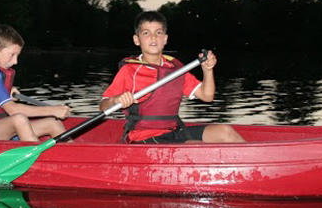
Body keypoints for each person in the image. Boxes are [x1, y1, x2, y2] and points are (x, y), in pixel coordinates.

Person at [99, 11, 245, 144]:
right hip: (143, 138)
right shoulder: (130, 70)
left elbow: (207, 96)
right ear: (137, 40)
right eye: (146, 33)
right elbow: (103, 106)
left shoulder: (175, 69)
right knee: (196, 147)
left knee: (225, 132)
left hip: (173, 132)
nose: (153, 37)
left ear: (165, 39)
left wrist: (207, 70)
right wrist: (116, 100)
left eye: (158, 32)